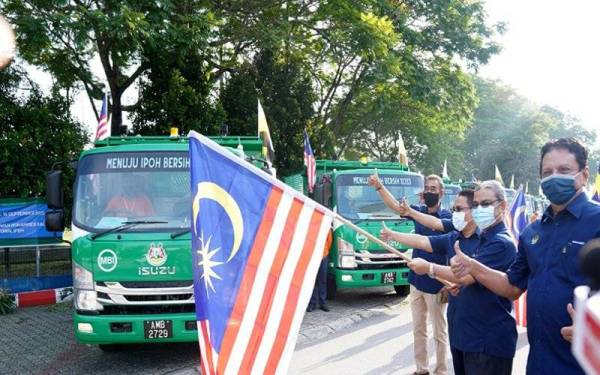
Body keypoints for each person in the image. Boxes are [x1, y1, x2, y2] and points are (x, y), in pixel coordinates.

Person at [450, 138, 600, 374]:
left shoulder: (597, 222)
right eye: (547, 172)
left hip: (585, 364)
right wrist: (472, 266)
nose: (554, 177)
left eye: (564, 170)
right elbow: (512, 286)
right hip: (540, 361)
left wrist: (596, 329)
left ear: (584, 174)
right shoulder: (533, 233)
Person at [384, 186, 518, 374]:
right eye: (477, 204)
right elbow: (424, 241)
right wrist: (393, 235)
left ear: (502, 206)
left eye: (485, 204)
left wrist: (430, 268)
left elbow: (465, 276)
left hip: (487, 340)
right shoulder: (459, 237)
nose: (480, 209)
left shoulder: (500, 242)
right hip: (464, 335)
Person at [369, 173, 451, 375]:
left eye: (434, 189)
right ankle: (421, 369)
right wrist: (379, 186)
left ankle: (440, 370)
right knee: (419, 329)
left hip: (436, 282)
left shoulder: (448, 219)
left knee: (439, 332)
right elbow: (395, 206)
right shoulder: (418, 211)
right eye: (427, 188)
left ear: (442, 192)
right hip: (416, 281)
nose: (430, 192)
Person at [307, 230, 333, 312]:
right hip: (311, 255)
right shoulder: (312, 224)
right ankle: (312, 303)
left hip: (323, 255)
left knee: (322, 280)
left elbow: (329, 240)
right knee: (312, 280)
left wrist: (325, 251)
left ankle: (323, 303)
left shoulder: (326, 224)